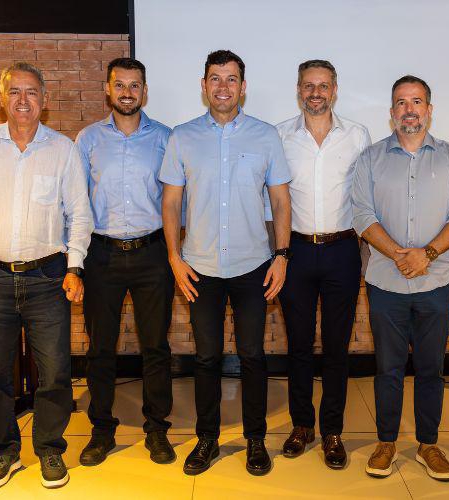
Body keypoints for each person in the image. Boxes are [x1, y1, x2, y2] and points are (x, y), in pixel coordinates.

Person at [159, 49, 292, 477]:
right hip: (200, 269)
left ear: (243, 87)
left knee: (253, 356)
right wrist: (174, 258)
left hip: (254, 267)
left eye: (231, 79)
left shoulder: (266, 136)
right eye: (215, 78)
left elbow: (281, 201)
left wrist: (282, 256)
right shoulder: (182, 137)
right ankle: (207, 439)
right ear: (204, 85)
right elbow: (171, 202)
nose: (223, 87)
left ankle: (255, 439)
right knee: (206, 358)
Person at [0, 62, 92, 490]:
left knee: (54, 371)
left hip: (47, 277)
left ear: (44, 100)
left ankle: (50, 447)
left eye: (32, 92)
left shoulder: (63, 149)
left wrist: (74, 267)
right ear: (2, 98)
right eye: (15, 91)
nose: (23, 100)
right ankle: (4, 451)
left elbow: (79, 215)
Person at [352, 75, 449, 480]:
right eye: (402, 103)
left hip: (436, 282)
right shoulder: (370, 158)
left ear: (429, 110)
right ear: (392, 112)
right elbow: (362, 215)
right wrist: (398, 254)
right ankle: (386, 442)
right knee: (387, 367)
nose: (409, 110)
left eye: (417, 102)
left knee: (430, 367)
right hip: (385, 282)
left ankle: (428, 444)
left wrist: (428, 254)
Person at [75, 57, 176, 466]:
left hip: (153, 253)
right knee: (101, 348)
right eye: (120, 85)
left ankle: (157, 428)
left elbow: (177, 201)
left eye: (135, 86)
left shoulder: (166, 138)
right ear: (108, 89)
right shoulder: (87, 140)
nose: (127, 93)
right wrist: (75, 261)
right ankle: (101, 430)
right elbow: (77, 203)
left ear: (145, 91)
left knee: (156, 347)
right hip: (102, 254)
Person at [274, 59, 371, 470]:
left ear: (335, 89)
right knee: (298, 345)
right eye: (309, 85)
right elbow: (272, 201)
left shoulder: (358, 135)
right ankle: (302, 426)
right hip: (294, 251)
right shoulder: (280, 136)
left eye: (323, 85)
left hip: (342, 250)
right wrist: (276, 254)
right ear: (299, 90)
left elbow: (365, 197)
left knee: (336, 346)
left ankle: (332, 430)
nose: (316, 92)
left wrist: (365, 251)